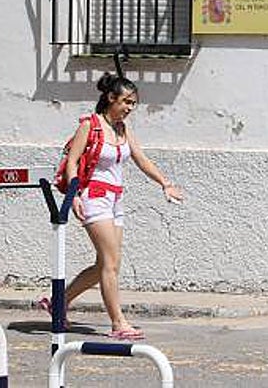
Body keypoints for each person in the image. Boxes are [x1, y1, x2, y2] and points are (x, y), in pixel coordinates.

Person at [38, 73, 184, 340]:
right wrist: (75, 195)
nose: (129, 108)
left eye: (133, 103)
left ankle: (58, 303)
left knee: (104, 264)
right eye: (126, 102)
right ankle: (118, 323)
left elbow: (141, 158)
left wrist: (165, 183)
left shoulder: (123, 129)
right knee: (110, 263)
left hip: (116, 199)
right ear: (110, 98)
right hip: (93, 197)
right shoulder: (90, 125)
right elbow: (72, 162)